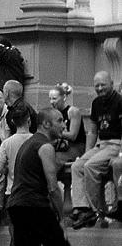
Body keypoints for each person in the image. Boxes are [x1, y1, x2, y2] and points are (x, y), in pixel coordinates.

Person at [7, 107, 67, 246]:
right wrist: (62, 218)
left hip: (18, 205)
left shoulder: (29, 143)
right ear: (46, 124)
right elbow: (53, 187)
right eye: (59, 121)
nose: (64, 125)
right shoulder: (45, 147)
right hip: (34, 206)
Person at [71, 71, 122, 229]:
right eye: (97, 86)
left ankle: (94, 211)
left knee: (90, 166)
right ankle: (81, 207)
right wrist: (86, 153)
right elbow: (92, 131)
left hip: (116, 144)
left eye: (103, 85)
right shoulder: (96, 103)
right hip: (101, 144)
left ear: (112, 84)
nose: (100, 88)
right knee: (77, 166)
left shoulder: (120, 101)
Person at [48, 83, 86, 171]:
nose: (51, 102)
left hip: (76, 147)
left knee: (54, 159)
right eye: (50, 99)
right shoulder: (53, 113)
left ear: (64, 97)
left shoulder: (73, 111)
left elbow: (73, 135)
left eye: (54, 98)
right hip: (60, 146)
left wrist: (56, 132)